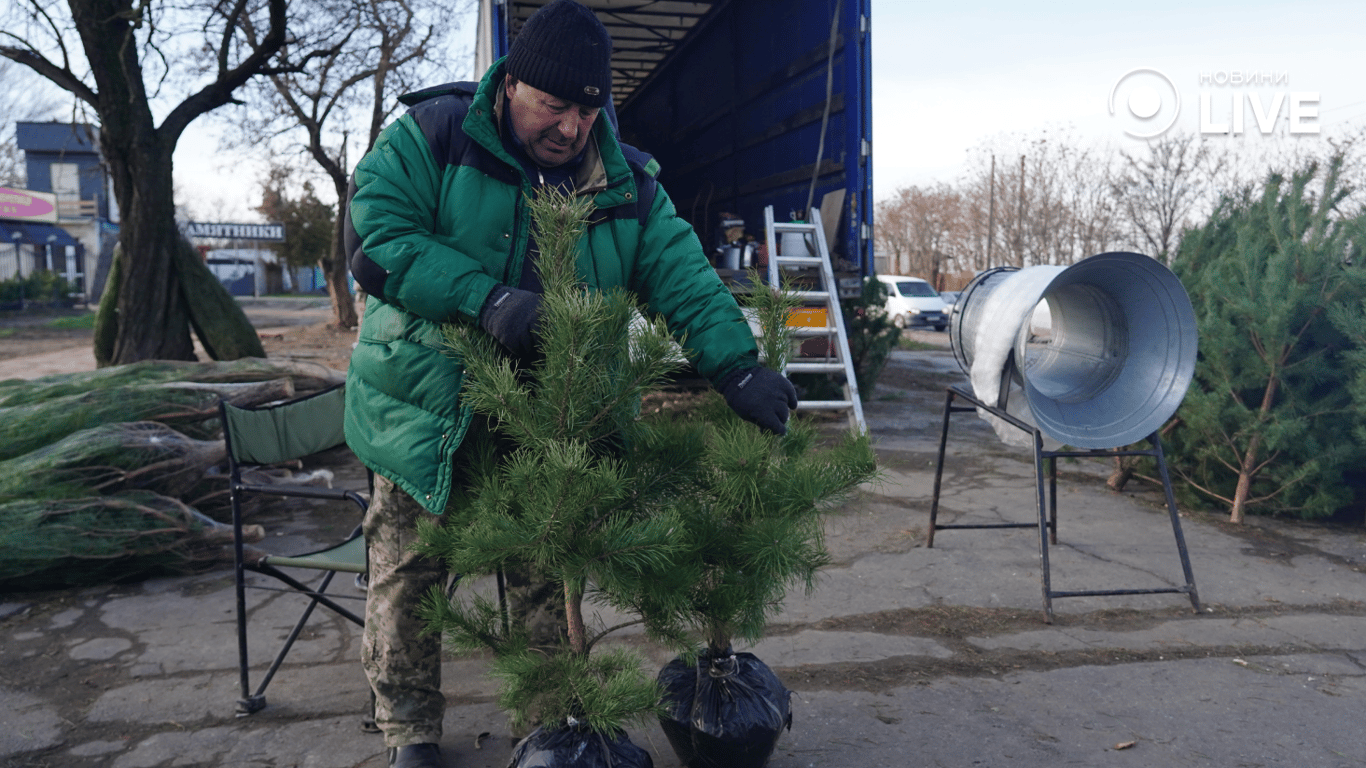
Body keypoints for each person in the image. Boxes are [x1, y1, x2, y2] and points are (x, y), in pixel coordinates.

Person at [343, 1, 798, 765]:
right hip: (425, 407)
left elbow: (683, 277)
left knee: (545, 583)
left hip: (553, 426)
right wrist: (487, 301)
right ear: (512, 82)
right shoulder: (434, 135)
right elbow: (375, 242)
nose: (571, 129)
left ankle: (550, 730)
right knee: (410, 577)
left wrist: (737, 364)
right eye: (553, 106)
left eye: (589, 111)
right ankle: (410, 732)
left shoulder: (625, 182)